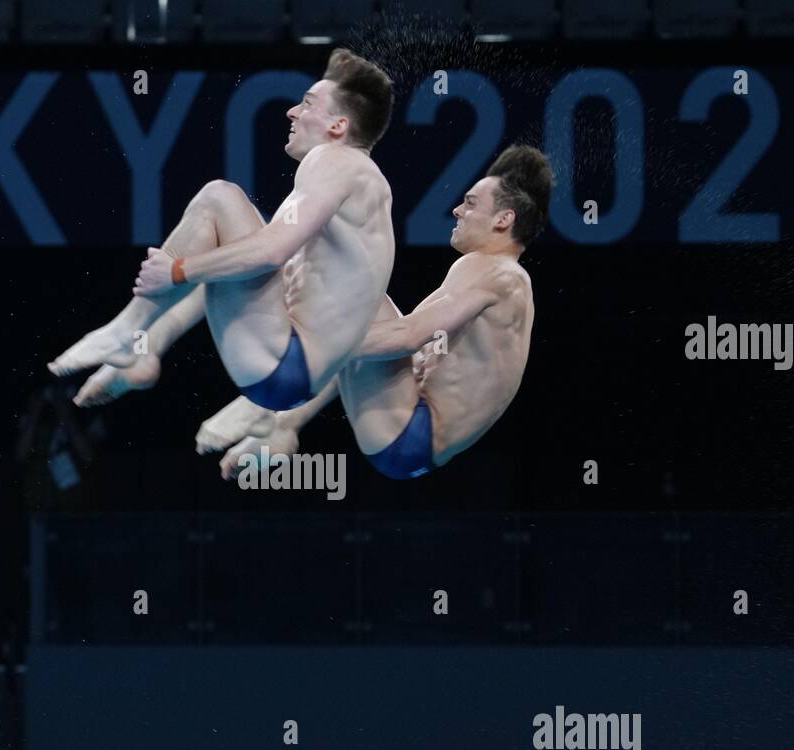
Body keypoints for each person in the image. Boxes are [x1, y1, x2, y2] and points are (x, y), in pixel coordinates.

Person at [50, 48, 397, 423]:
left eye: (308, 103)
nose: (292, 111)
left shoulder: (335, 161)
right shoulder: (362, 186)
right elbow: (255, 259)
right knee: (227, 256)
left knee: (219, 198)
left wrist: (177, 270)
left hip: (283, 360)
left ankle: (126, 331)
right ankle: (142, 344)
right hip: (292, 373)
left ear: (338, 127)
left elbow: (271, 252)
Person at [198, 144, 552, 481]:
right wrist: (289, 420)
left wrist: (289, 377)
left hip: (411, 430)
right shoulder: (496, 277)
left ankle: (273, 393)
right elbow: (376, 346)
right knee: (354, 304)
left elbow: (406, 338)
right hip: (409, 440)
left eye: (471, 204)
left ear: (504, 219)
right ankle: (281, 426)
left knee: (332, 261)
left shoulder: (498, 273)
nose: (458, 210)